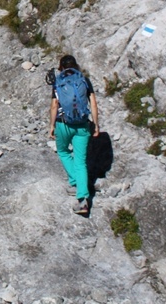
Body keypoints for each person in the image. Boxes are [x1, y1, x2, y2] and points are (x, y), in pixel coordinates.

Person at [47, 54, 99, 215]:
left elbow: (54, 105)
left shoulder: (58, 82)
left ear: (60, 67)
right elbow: (94, 104)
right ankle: (82, 197)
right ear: (75, 66)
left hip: (63, 124)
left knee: (63, 151)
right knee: (80, 161)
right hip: (82, 125)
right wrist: (96, 125)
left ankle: (76, 183)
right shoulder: (84, 80)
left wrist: (51, 125)